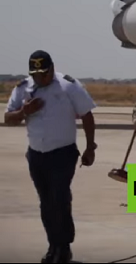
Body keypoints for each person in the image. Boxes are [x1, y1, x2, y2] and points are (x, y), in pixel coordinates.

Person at [4, 50, 97, 263]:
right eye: (36, 74)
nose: (40, 78)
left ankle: (63, 246)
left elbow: (87, 115)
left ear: (52, 69)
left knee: (59, 197)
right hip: (36, 155)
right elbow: (8, 118)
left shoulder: (68, 86)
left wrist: (90, 147)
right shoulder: (23, 88)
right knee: (46, 202)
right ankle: (54, 245)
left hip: (63, 153)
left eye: (43, 74)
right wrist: (23, 112)